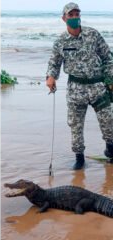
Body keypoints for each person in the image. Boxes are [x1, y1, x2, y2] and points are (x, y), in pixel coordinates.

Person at [46, 2, 113, 170]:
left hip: (98, 86)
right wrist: (51, 77)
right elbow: (54, 62)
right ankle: (79, 158)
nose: (75, 17)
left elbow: (108, 57)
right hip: (76, 89)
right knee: (75, 126)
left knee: (109, 121)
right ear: (64, 18)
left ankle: (111, 150)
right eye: (71, 15)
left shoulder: (93, 34)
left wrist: (110, 79)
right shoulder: (61, 41)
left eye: (77, 14)